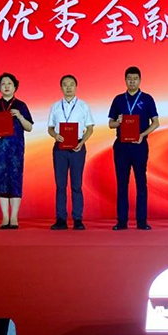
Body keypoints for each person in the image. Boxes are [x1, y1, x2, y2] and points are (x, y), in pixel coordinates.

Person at [107, 66, 160, 231]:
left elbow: (156, 123)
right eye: (129, 79)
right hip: (121, 147)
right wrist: (118, 122)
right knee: (122, 184)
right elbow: (110, 124)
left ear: (140, 80)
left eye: (135, 79)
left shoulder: (147, 99)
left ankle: (142, 221)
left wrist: (142, 135)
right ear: (125, 80)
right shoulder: (118, 100)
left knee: (141, 183)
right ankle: (121, 221)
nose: (132, 82)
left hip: (139, 146)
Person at [0, 72, 34, 229]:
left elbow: (29, 127)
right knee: (1, 181)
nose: (6, 86)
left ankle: (14, 217)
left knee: (15, 180)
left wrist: (20, 116)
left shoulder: (21, 105)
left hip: (16, 149)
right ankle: (5, 217)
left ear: (15, 87)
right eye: (3, 84)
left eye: (9, 83)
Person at [47, 74, 95, 231]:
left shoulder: (83, 106)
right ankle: (61, 219)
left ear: (76, 87)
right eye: (65, 85)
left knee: (76, 185)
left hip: (77, 148)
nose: (68, 87)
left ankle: (77, 219)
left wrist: (82, 142)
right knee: (60, 185)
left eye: (71, 84)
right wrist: (55, 135)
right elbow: (50, 128)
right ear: (61, 87)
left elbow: (90, 128)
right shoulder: (55, 106)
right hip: (59, 148)